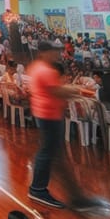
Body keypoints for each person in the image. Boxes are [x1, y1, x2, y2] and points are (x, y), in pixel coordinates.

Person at [27, 40, 82, 209]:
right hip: (49, 115)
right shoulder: (45, 71)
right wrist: (74, 90)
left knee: (50, 152)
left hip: (46, 114)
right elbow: (57, 91)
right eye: (53, 51)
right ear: (44, 53)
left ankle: (73, 195)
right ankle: (38, 189)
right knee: (48, 152)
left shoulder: (36, 67)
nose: (57, 54)